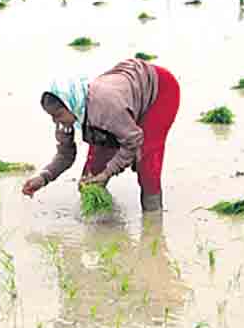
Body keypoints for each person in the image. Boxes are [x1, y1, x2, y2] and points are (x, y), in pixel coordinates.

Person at [21, 58, 180, 213]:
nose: (55, 120)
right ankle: (104, 218)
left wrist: (108, 173)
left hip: (159, 89)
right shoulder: (68, 118)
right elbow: (65, 155)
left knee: (146, 159)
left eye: (58, 115)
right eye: (52, 116)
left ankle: (153, 216)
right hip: (123, 96)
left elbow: (133, 141)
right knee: (90, 178)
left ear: (71, 104)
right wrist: (43, 178)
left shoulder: (107, 109)